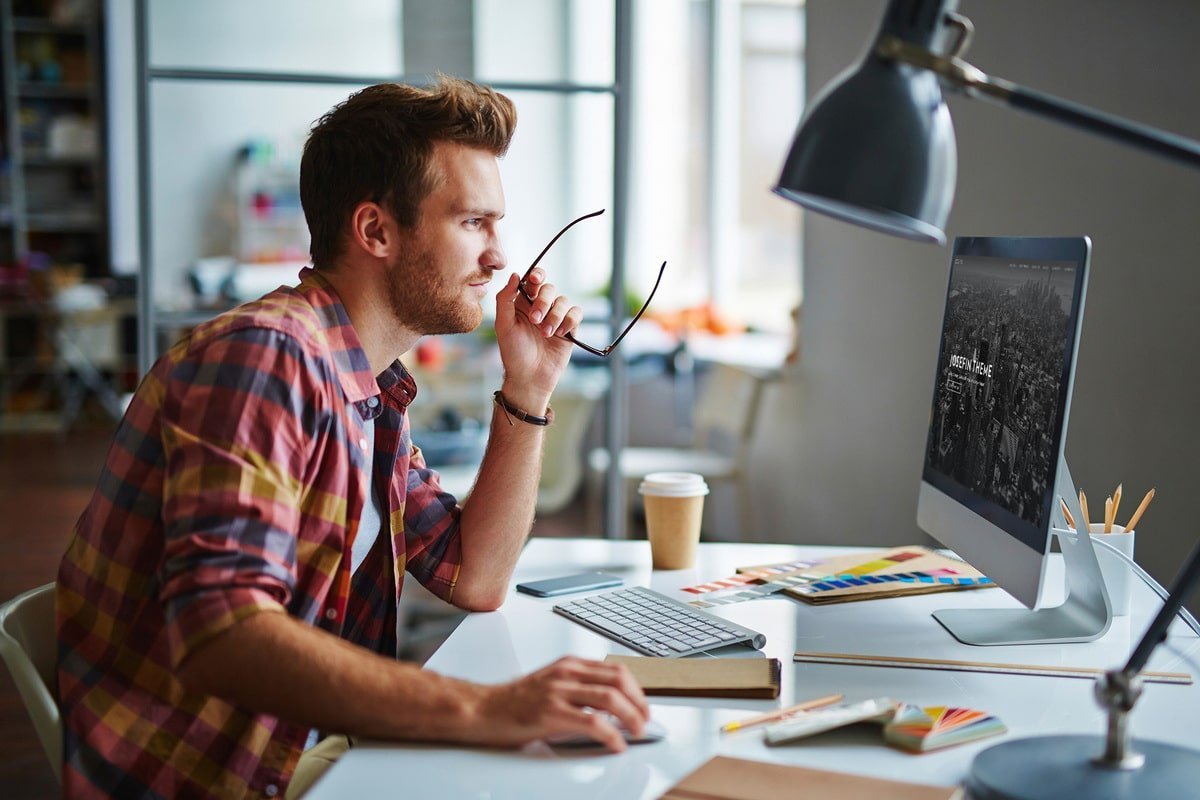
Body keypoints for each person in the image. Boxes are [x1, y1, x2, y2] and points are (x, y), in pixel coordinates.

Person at [55, 77, 649, 799]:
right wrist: (486, 707)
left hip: (304, 749)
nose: (501, 259)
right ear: (375, 232)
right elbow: (223, 632)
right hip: (216, 776)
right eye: (473, 223)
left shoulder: (369, 388)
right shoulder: (266, 357)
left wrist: (528, 389)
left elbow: (476, 577)